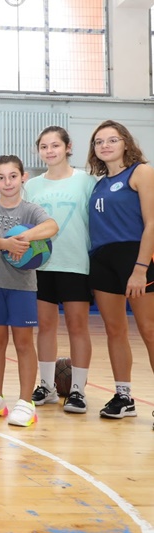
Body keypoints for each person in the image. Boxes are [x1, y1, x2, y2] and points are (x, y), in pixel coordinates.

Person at [0, 155, 58, 426]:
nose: (7, 182)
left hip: (22, 287)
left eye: (13, 176)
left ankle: (26, 402)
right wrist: (6, 243)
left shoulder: (31, 210)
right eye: (1, 177)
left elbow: (51, 226)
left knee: (23, 344)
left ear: (23, 177)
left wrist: (25, 237)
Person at [85, 120, 154, 423]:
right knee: (115, 330)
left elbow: (152, 223)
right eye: (99, 142)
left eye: (111, 140)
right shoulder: (98, 183)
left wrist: (140, 268)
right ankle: (124, 396)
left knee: (150, 331)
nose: (105, 146)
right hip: (102, 259)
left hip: (134, 256)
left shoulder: (141, 172)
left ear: (126, 142)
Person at [23, 126, 96, 413]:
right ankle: (47, 387)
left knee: (78, 326)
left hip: (76, 263)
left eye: (55, 145)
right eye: (44, 146)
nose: (49, 151)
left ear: (68, 147)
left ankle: (78, 390)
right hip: (41, 266)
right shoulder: (33, 187)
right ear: (38, 151)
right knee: (46, 326)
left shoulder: (86, 181)